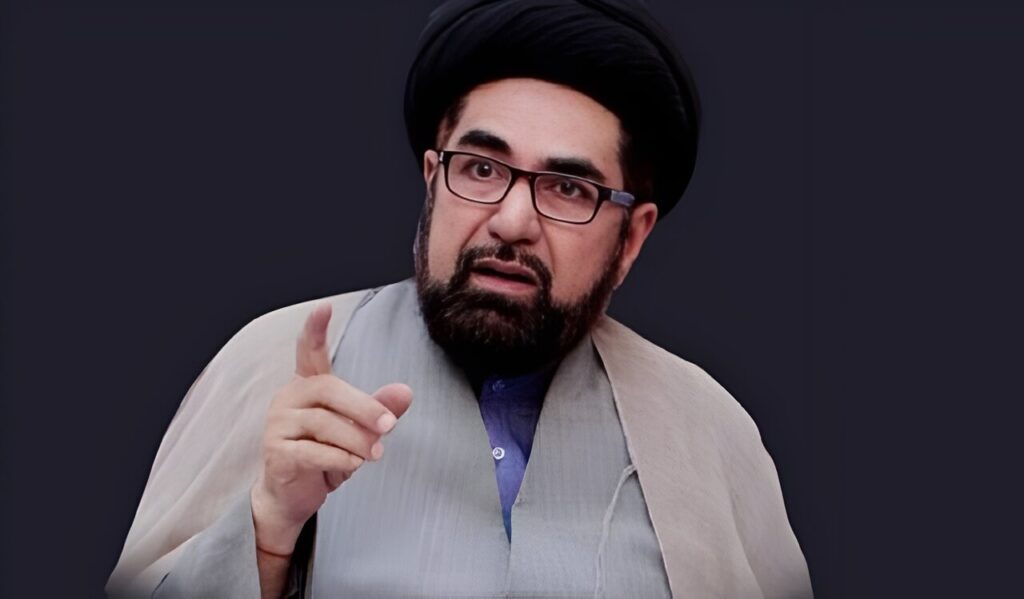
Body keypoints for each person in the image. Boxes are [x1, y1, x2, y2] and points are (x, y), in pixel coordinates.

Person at [108, 1, 812, 597]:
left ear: (631, 237)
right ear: (432, 180)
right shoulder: (270, 366)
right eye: (480, 169)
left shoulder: (706, 432)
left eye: (568, 188)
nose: (512, 221)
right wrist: (267, 527)